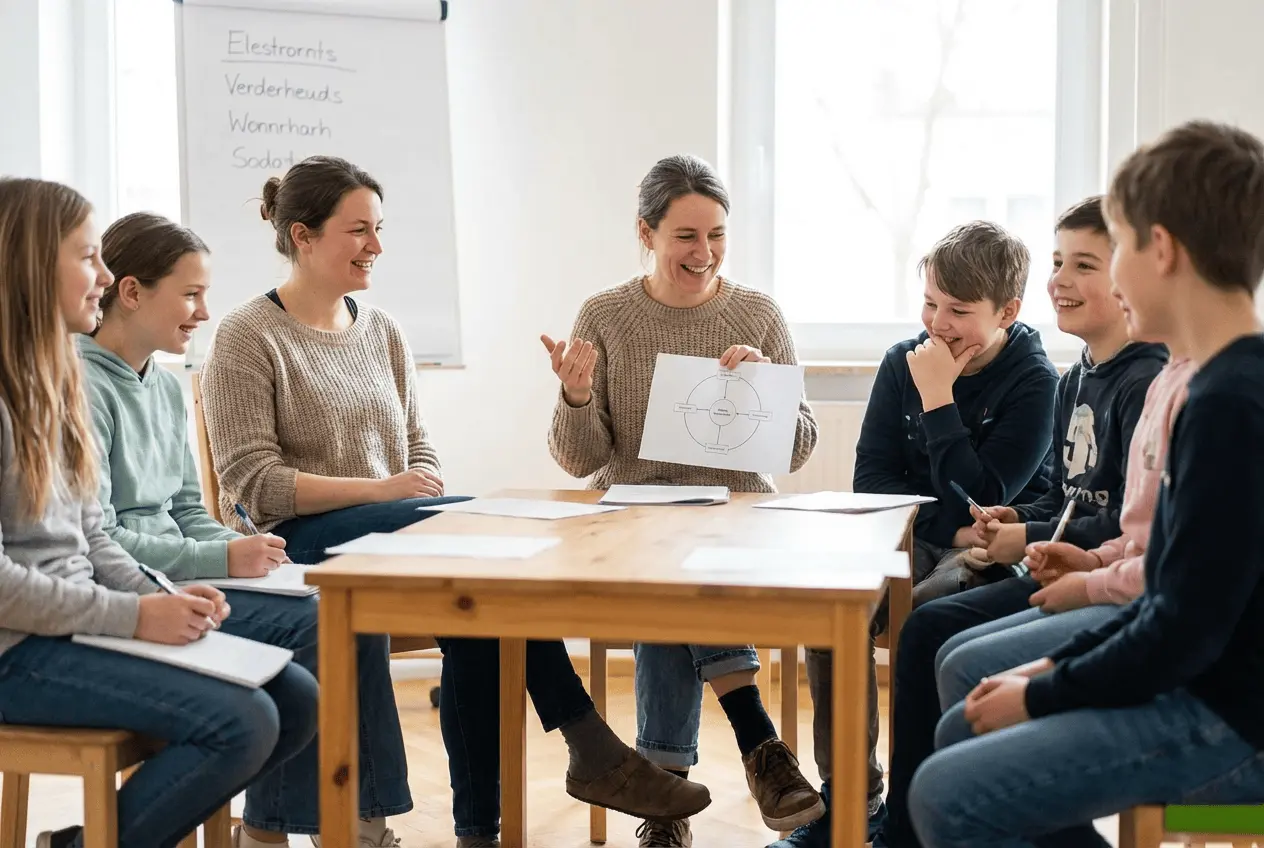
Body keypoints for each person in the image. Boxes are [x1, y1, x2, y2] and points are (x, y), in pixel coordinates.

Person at [200, 156, 709, 848]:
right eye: (358, 230)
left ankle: (480, 834)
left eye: (379, 229)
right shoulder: (246, 335)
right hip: (300, 544)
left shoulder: (382, 330)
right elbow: (253, 485)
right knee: (488, 530)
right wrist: (385, 490)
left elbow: (421, 450)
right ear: (303, 235)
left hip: (394, 539)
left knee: (483, 605)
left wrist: (417, 485)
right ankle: (587, 740)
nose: (376, 246)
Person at [907, 119, 1264, 848]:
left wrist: (1044, 688)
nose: (1114, 276)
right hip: (1200, 678)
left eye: (1118, 248)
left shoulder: (1230, 404)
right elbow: (1170, 598)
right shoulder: (1218, 384)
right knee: (962, 722)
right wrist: (1049, 667)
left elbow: (1182, 629)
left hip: (1231, 717)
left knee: (947, 794)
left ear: (1161, 249)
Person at [0, 177, 317, 848]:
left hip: (69, 626)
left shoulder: (50, 384)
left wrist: (162, 596)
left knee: (295, 698)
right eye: (87, 257)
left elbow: (91, 536)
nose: (104, 276)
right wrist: (135, 616)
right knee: (245, 722)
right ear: (30, 265)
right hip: (15, 650)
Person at [84, 210, 415, 847]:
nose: (204, 313)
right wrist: (222, 561)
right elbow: (100, 539)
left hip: (176, 575)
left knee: (346, 605)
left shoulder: (165, 386)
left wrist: (241, 548)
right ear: (131, 292)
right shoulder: (81, 385)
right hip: (132, 592)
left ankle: (330, 825)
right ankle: (294, 831)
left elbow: (186, 511)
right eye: (190, 294)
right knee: (324, 622)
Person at [872, 196, 1168, 848]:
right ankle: (896, 818)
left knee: (929, 630)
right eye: (1057, 262)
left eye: (1082, 264)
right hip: (1078, 564)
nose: (1058, 280)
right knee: (918, 632)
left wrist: (1028, 534)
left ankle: (910, 832)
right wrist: (1023, 521)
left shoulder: (1143, 381)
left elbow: (1130, 529)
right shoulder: (1079, 378)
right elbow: (1071, 505)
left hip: (1113, 588)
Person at [545, 153, 821, 847]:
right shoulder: (605, 315)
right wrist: (576, 394)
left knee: (674, 588)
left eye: (717, 235)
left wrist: (766, 392)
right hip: (637, 520)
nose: (705, 252)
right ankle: (760, 745)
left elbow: (796, 449)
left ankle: (664, 806)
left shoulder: (758, 313)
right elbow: (580, 460)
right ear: (647, 233)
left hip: (736, 523)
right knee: (669, 574)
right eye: (686, 236)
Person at [776, 220, 1060, 848]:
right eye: (931, 303)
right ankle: (850, 801)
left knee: (925, 620)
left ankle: (919, 804)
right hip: (923, 536)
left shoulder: (1037, 382)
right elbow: (872, 483)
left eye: (959, 310)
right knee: (833, 614)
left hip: (990, 551)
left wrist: (938, 399)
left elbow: (985, 494)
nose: (938, 324)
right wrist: (949, 526)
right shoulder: (900, 360)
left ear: (1007, 312)